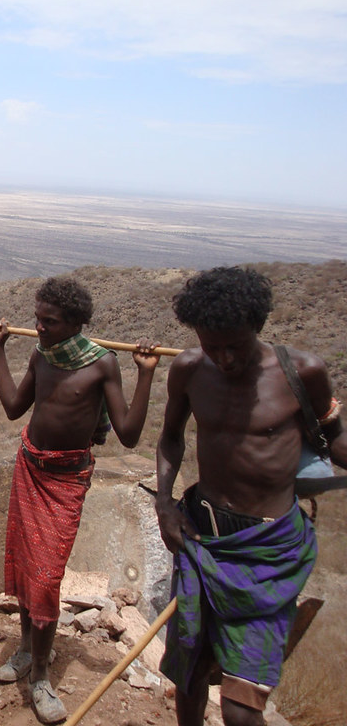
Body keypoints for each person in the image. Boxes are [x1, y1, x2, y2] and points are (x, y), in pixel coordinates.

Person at [154, 266, 346, 726]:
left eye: (235, 346)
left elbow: (334, 438)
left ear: (257, 328)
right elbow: (170, 440)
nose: (224, 358)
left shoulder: (302, 372)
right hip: (201, 536)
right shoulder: (188, 369)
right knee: (191, 670)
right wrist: (164, 504)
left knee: (241, 710)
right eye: (211, 345)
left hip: (268, 550)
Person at [0, 275, 160, 724]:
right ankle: (25, 651)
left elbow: (128, 434)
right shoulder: (42, 355)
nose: (40, 328)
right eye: (38, 320)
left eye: (51, 322)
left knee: (45, 577)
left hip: (65, 482)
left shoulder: (102, 364)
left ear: (76, 323)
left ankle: (41, 678)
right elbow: (12, 407)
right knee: (28, 566)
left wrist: (145, 375)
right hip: (29, 467)